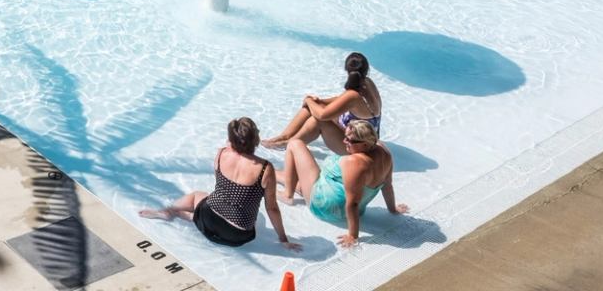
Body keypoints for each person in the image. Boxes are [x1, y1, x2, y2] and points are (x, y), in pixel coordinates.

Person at [140, 117, 298, 251]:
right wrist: (283, 239)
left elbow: (221, 188)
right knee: (250, 216)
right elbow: (272, 208)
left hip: (208, 220)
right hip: (237, 235)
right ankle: (185, 215)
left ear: (231, 140)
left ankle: (171, 211)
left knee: (197, 196)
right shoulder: (264, 168)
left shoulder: (222, 153)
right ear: (255, 139)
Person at [283, 119, 407, 248]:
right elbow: (387, 186)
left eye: (350, 140)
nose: (344, 141)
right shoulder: (384, 153)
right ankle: (275, 176)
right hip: (352, 208)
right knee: (294, 179)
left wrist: (353, 235)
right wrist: (393, 209)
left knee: (294, 143)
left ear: (365, 144)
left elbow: (353, 203)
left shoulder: (354, 163)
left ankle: (287, 195)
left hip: (325, 206)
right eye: (345, 137)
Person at [264, 51, 384, 155]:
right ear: (366, 70)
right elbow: (341, 99)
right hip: (364, 138)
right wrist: (320, 101)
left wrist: (308, 100)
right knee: (313, 107)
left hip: (358, 147)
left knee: (318, 120)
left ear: (347, 70)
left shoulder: (353, 95)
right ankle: (284, 136)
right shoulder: (367, 83)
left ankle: (289, 143)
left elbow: (322, 115)